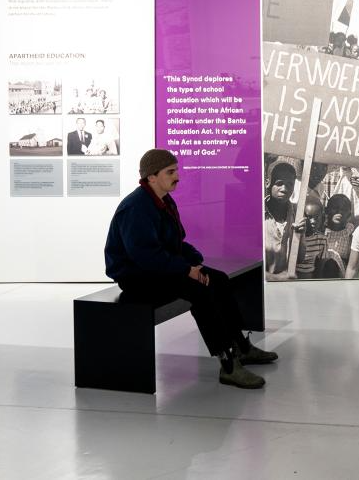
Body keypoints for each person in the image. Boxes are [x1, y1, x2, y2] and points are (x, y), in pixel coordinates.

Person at [104, 149, 277, 389]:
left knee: (219, 279)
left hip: (159, 267)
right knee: (200, 292)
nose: (177, 176)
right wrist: (186, 270)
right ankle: (227, 363)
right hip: (138, 276)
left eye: (176, 170)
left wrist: (195, 261)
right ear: (151, 177)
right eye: (170, 172)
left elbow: (175, 242)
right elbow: (145, 256)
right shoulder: (136, 207)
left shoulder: (163, 200)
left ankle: (241, 346)